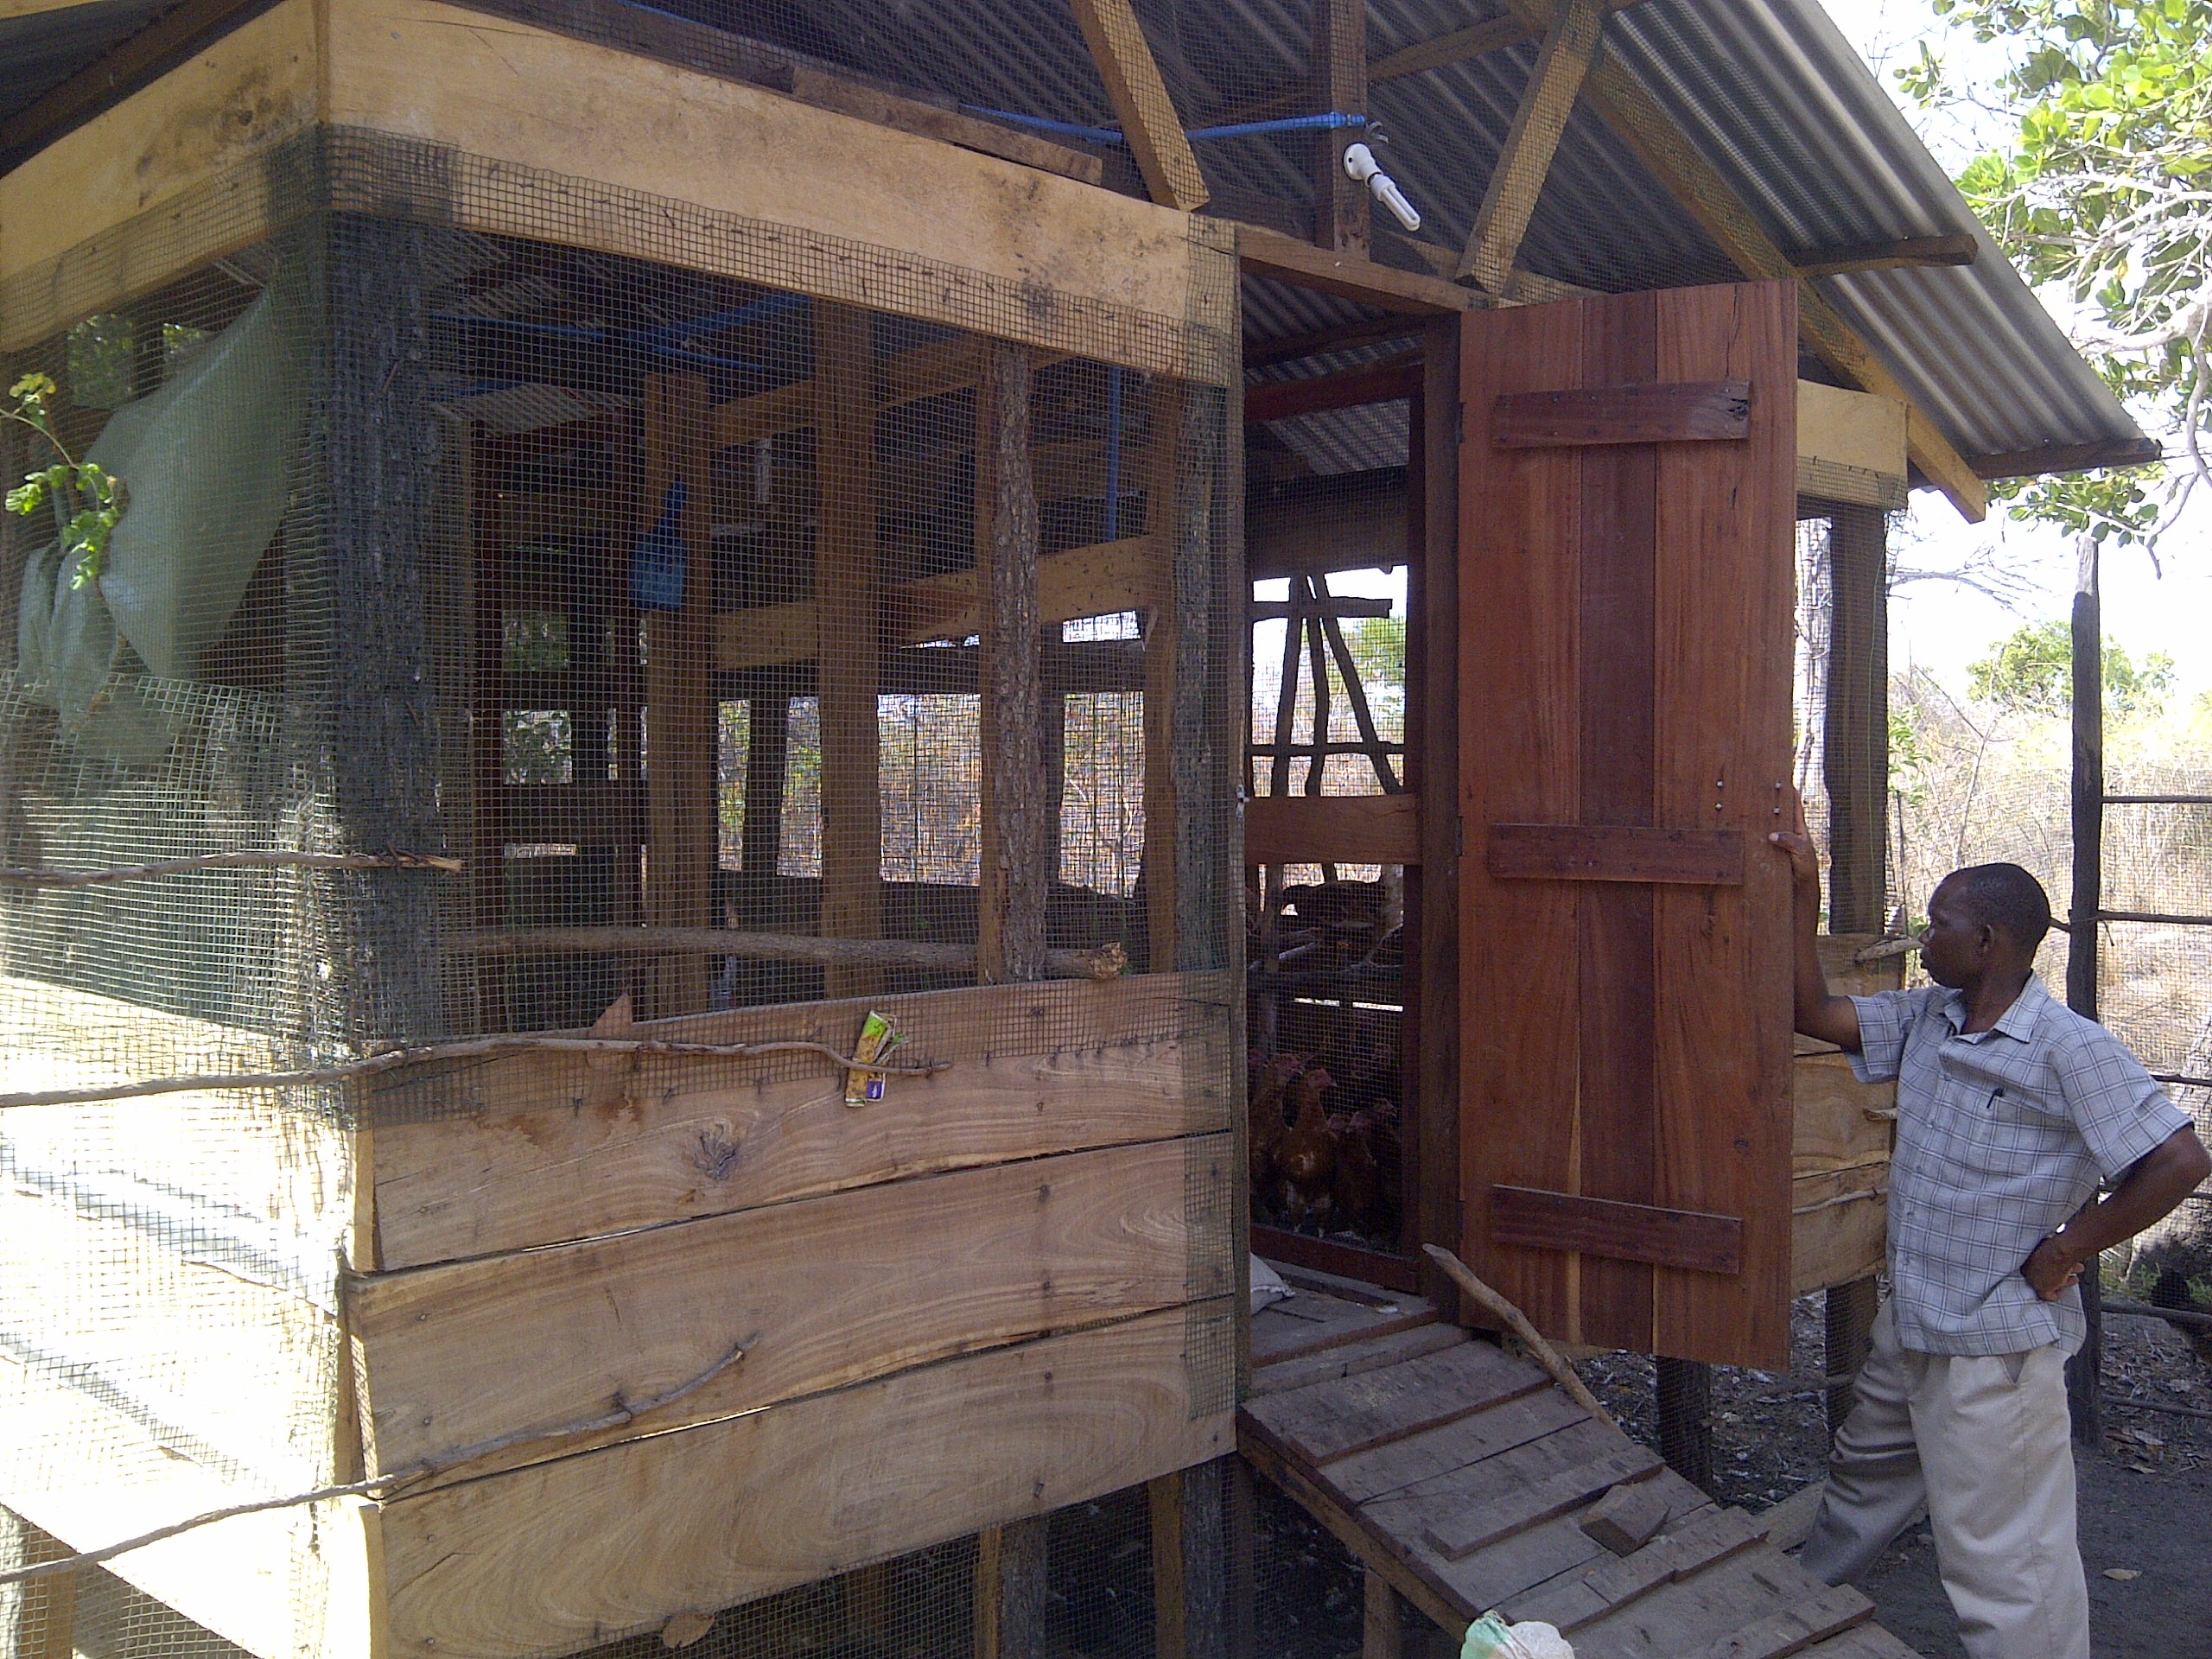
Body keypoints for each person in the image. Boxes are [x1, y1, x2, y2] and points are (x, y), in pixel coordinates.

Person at [1770, 817, 2210, 1659]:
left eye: (1937, 925)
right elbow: (1810, 1011)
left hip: (1991, 1352)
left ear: (1988, 937)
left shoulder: (2068, 1049)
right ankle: (1774, 1615)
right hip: (1915, 1326)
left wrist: (2069, 1247)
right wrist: (1803, 891)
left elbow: (2179, 1160)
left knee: (2007, 1567)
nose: (1923, 940)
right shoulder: (1928, 1018)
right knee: (1860, 1490)